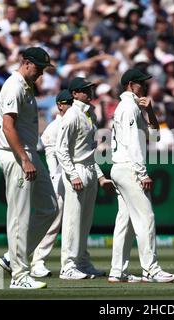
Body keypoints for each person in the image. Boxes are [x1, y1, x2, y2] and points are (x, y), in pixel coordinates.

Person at [0, 47, 58, 289]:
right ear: (27, 63)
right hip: (17, 156)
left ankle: (12, 258)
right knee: (19, 216)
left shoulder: (27, 87)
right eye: (39, 68)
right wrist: (24, 158)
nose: (41, 73)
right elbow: (8, 127)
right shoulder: (13, 86)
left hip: (29, 153)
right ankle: (20, 276)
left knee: (50, 207)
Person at [108, 68, 174, 283]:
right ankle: (151, 270)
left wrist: (151, 112)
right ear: (130, 85)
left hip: (121, 167)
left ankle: (117, 271)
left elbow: (154, 136)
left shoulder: (134, 106)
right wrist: (142, 173)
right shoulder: (129, 107)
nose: (145, 87)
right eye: (141, 83)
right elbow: (133, 143)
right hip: (129, 167)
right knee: (146, 218)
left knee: (125, 222)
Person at [56, 77, 115, 280]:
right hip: (77, 171)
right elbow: (61, 149)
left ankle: (81, 262)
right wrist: (73, 175)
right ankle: (68, 266)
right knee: (73, 220)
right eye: (84, 90)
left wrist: (100, 176)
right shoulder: (72, 115)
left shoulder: (89, 114)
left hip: (89, 169)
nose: (89, 92)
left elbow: (89, 151)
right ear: (74, 94)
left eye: (90, 89)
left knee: (85, 221)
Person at [29, 90, 73, 278]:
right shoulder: (54, 128)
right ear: (60, 105)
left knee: (74, 223)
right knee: (53, 223)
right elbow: (55, 161)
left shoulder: (72, 122)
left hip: (70, 179)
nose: (73, 106)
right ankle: (37, 262)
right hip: (59, 180)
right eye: (68, 103)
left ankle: (75, 262)